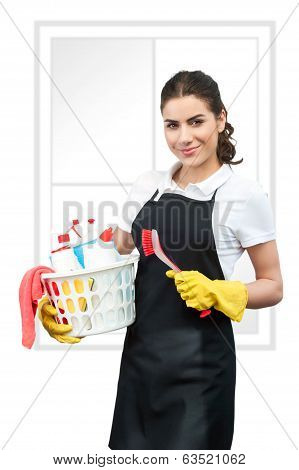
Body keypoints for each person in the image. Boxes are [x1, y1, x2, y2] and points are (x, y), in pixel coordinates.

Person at [38, 70, 283, 450]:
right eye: (172, 125)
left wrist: (222, 292)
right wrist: (68, 303)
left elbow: (273, 285)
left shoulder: (243, 193)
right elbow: (116, 251)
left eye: (196, 121)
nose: (184, 137)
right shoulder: (147, 183)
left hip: (201, 373)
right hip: (139, 362)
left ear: (221, 118)